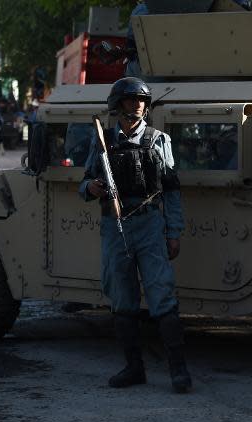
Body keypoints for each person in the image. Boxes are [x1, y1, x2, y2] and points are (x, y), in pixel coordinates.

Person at [79, 77, 191, 393]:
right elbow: (84, 182)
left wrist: (174, 232)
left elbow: (171, 191)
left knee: (162, 295)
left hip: (150, 224)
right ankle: (133, 367)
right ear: (118, 105)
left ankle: (178, 370)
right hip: (115, 227)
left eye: (141, 100)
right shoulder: (102, 142)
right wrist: (91, 187)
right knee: (122, 297)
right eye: (130, 100)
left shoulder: (159, 140)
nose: (137, 105)